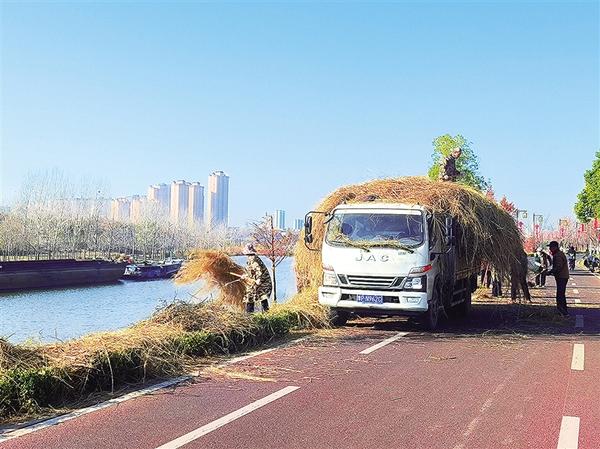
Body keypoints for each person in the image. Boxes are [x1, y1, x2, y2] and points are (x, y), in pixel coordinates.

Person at [242, 243, 272, 313]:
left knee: (252, 295)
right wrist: (245, 276)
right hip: (262, 281)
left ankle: (250, 315)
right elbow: (251, 272)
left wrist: (258, 279)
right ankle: (266, 313)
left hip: (263, 282)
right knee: (259, 296)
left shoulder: (253, 259)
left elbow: (258, 270)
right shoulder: (252, 258)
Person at [546, 241, 570, 316]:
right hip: (562, 276)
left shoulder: (558, 255)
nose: (550, 249)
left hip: (562, 277)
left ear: (555, 247)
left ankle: (562, 312)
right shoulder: (559, 254)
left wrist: (550, 272)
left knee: (560, 294)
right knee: (561, 294)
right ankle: (562, 311)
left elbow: (558, 267)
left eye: (551, 247)